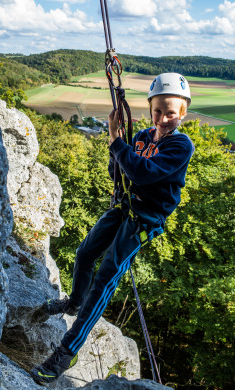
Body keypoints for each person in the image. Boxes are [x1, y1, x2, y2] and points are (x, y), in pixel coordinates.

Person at [30, 72, 195, 385]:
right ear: (150, 108)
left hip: (146, 219)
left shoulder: (181, 145)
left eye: (170, 112)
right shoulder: (144, 136)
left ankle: (67, 352)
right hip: (126, 205)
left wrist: (116, 139)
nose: (162, 118)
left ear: (182, 113)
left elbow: (144, 172)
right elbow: (118, 169)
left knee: (105, 279)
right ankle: (74, 302)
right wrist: (118, 144)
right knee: (84, 253)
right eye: (158, 110)